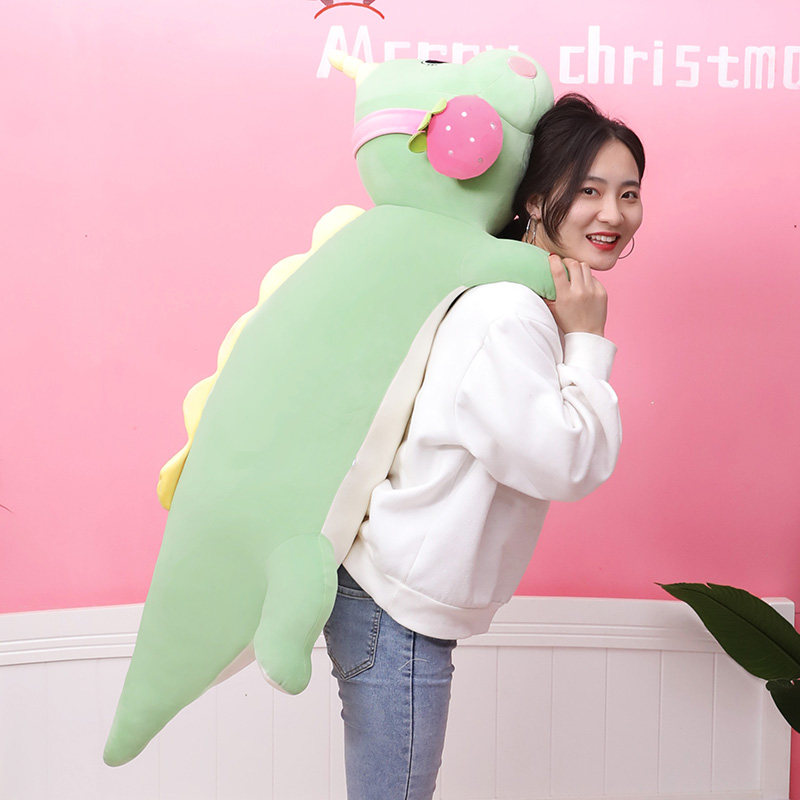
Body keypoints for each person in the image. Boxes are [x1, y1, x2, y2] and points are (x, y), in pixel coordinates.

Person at [324, 93, 645, 800]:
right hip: (394, 605)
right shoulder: (508, 311)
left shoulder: (517, 302)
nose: (613, 214)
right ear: (534, 198)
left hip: (393, 599)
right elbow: (564, 462)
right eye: (588, 190)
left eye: (629, 193)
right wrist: (588, 342)